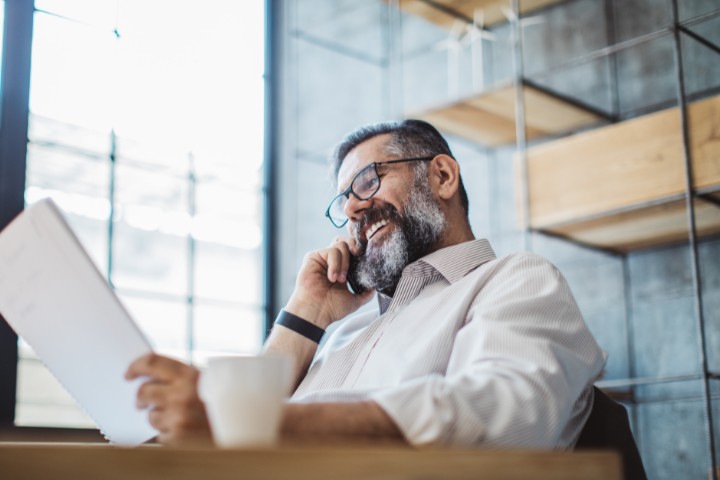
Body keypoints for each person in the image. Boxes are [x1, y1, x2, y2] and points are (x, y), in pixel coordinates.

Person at [126, 119, 606, 448]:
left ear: (442, 175)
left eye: (368, 182)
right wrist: (307, 314)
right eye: (343, 201)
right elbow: (242, 445)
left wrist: (250, 422)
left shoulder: (516, 279)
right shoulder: (343, 333)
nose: (353, 209)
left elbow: (503, 420)